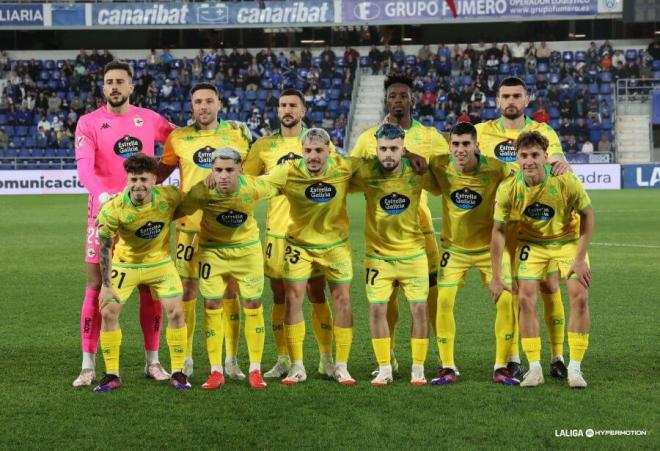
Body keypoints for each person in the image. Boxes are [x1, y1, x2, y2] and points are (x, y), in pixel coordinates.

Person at [72, 60, 175, 387]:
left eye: (120, 81)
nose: (114, 86)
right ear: (103, 87)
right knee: (96, 285)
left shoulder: (150, 119)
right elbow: (85, 168)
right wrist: (103, 196)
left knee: (150, 286)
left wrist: (159, 177)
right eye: (109, 82)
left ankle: (153, 362)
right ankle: (88, 364)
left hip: (144, 215)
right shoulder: (88, 123)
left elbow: (180, 142)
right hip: (103, 213)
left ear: (131, 87)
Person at [351, 74, 449, 375]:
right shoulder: (369, 138)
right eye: (392, 95)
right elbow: (352, 174)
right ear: (386, 100)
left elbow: (447, 181)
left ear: (412, 100)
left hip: (420, 233)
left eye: (403, 95)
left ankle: (446, 362)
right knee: (386, 301)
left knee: (431, 299)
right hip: (381, 236)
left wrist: (425, 162)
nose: (397, 100)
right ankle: (388, 358)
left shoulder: (430, 136)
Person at [475, 76, 571, 380]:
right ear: (498, 101)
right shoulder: (482, 132)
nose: (511, 101)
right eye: (506, 96)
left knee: (549, 287)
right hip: (500, 225)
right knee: (509, 293)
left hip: (538, 226)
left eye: (517, 95)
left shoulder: (543, 132)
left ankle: (557, 356)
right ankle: (513, 357)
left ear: (526, 100)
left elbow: (557, 159)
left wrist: (559, 162)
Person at [156, 83, 251, 380]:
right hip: (189, 228)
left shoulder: (237, 135)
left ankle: (231, 358)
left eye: (209, 101)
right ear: (191, 105)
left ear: (219, 104)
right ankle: (185, 358)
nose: (203, 106)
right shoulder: (179, 138)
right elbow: (160, 174)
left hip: (225, 227)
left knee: (228, 292)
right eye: (198, 101)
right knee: (187, 291)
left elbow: (247, 175)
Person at [242, 89, 335, 379]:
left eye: (293, 105)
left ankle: (326, 358)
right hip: (278, 233)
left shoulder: (318, 141)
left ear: (303, 110)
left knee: (317, 292)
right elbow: (247, 180)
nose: (287, 110)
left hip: (312, 232)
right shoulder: (265, 146)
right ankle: (284, 358)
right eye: (283, 105)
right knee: (280, 294)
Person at [491, 131, 594, 388]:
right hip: (532, 245)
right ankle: (534, 368)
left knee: (579, 296)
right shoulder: (508, 188)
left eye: (535, 155)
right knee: (525, 299)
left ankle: (575, 368)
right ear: (516, 158)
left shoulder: (564, 180)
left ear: (545, 157)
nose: (529, 161)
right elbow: (498, 230)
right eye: (524, 155)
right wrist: (495, 274)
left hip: (567, 241)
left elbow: (588, 215)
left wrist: (580, 258)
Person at [263, 129, 358, 385]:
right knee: (293, 298)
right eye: (308, 151)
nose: (313, 156)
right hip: (299, 246)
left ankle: (340, 365)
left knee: (342, 299)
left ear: (329, 149)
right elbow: (260, 185)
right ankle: (297, 366)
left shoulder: (344, 167)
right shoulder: (288, 170)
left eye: (318, 151)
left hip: (335, 245)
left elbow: (374, 169)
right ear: (302, 151)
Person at [426, 122, 518, 386]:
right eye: (455, 144)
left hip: (491, 249)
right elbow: (417, 168)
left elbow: (517, 178)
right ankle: (447, 366)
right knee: (443, 302)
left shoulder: (496, 167)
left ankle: (502, 366)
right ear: (450, 146)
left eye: (466, 144)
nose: (460, 149)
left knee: (505, 302)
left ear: (476, 145)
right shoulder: (440, 164)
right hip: (454, 250)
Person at [179, 148, 279, 390]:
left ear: (240, 170)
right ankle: (216, 370)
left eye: (229, 170)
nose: (224, 175)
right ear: (212, 170)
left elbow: (282, 185)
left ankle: (255, 369)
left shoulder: (254, 187)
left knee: (253, 304)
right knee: (212, 304)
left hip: (247, 252)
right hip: (212, 252)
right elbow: (176, 209)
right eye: (218, 170)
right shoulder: (202, 191)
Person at [94, 154, 189, 392]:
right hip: (125, 264)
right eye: (134, 179)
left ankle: (178, 372)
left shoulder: (169, 197)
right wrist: (106, 284)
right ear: (127, 179)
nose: (138, 185)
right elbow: (104, 247)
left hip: (160, 264)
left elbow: (194, 204)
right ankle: (112, 374)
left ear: (154, 179)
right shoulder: (113, 208)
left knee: (177, 311)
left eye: (144, 179)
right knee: (108, 312)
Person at [351, 124, 435, 386]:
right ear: (376, 149)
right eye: (383, 149)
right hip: (378, 257)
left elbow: (448, 176)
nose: (388, 154)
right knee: (377, 310)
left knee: (420, 311)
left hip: (413, 255)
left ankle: (418, 368)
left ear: (403, 148)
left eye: (394, 149)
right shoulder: (365, 171)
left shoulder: (417, 171)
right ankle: (384, 367)